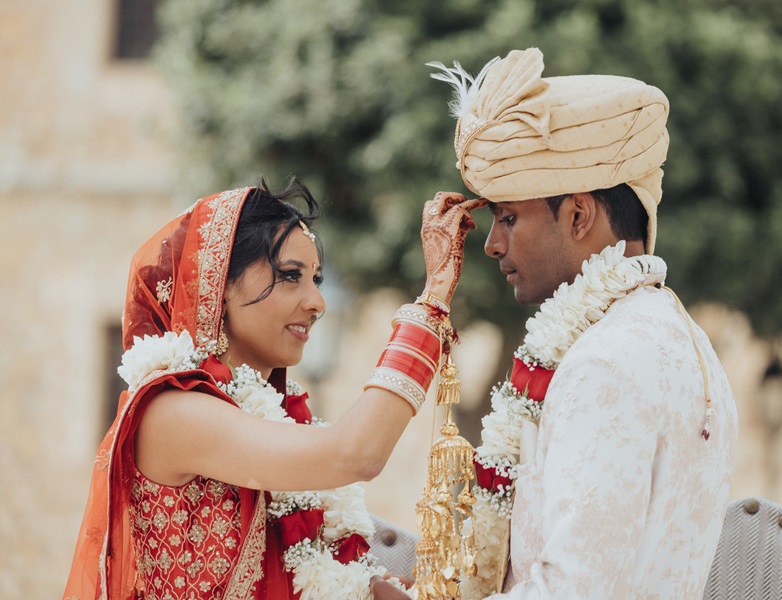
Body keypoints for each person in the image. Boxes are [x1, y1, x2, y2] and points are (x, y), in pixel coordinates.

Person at [416, 48, 739, 599]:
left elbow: (574, 589)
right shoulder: (679, 339)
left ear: (580, 215)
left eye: (509, 217)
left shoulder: (605, 362)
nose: (492, 244)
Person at [63, 179, 485, 600]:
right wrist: (432, 304)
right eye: (289, 277)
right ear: (219, 286)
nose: (317, 302)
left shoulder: (269, 418)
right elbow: (356, 452)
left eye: (315, 279)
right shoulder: (172, 412)